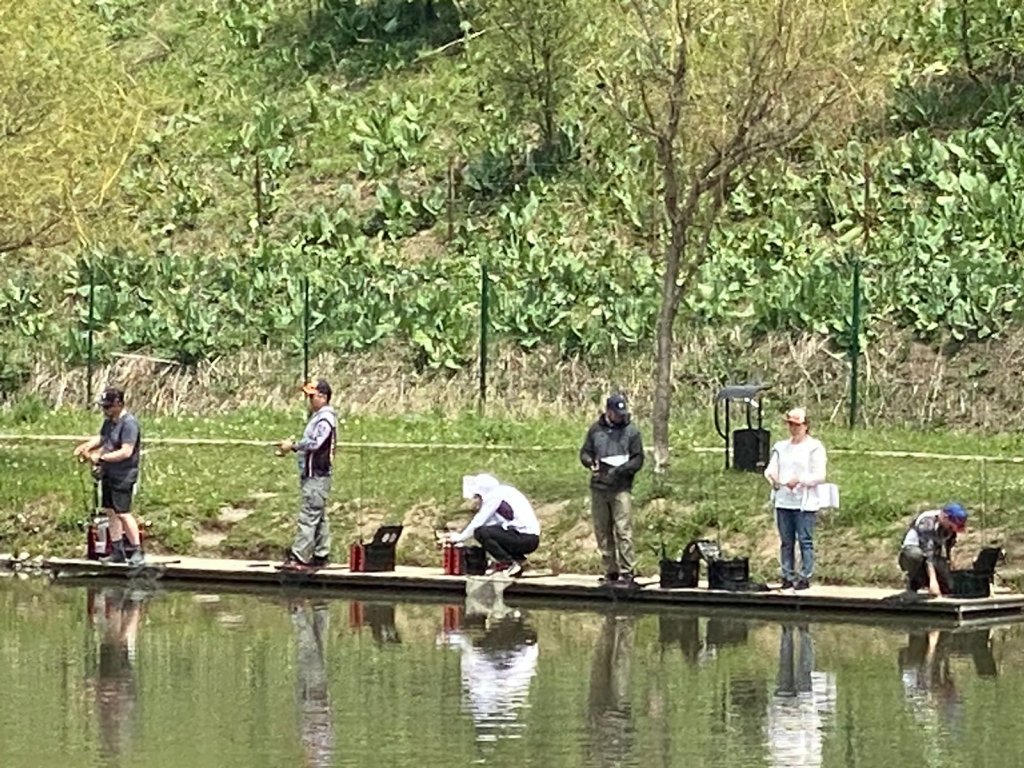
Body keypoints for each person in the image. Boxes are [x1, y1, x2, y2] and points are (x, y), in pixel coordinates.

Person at [73, 387, 145, 566]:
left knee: (123, 513)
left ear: (119, 404)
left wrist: (101, 458)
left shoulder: (129, 424)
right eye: (103, 406)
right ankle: (117, 550)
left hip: (124, 474)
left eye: (107, 406)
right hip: (108, 473)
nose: (104, 410)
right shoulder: (109, 422)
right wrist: (86, 446)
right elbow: (102, 439)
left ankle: (137, 550)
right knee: (110, 512)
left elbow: (126, 451)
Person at [579, 393, 645, 586]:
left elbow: (638, 459)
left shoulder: (632, 432)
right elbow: (585, 452)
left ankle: (628, 571)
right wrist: (589, 462)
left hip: (621, 487)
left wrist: (621, 470)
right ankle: (610, 570)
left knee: (623, 529)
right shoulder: (595, 430)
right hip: (599, 487)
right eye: (616, 413)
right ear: (608, 412)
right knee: (602, 530)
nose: (620, 417)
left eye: (622, 414)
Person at [764, 407, 827, 590]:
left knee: (805, 540)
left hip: (804, 502)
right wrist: (774, 479)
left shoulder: (814, 447)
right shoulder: (780, 447)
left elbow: (819, 475)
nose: (793, 428)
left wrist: (800, 480)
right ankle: (787, 575)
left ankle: (805, 576)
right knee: (786, 541)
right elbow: (770, 470)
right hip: (783, 500)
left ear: (806, 426)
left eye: (797, 425)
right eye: (791, 424)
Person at [277, 379, 338, 569]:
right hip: (314, 474)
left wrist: (293, 446)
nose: (310, 400)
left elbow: (317, 443)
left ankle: (299, 557)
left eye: (312, 396)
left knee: (309, 515)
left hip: (317, 474)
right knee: (319, 516)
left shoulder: (325, 419)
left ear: (323, 397)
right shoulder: (318, 417)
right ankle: (321, 554)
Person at [449, 473, 540, 578]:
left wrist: (459, 538)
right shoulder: (505, 492)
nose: (477, 499)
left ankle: (508, 564)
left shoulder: (494, 496)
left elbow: (479, 522)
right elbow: (492, 525)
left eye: (478, 496)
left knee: (481, 532)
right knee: (488, 533)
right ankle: (520, 562)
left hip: (525, 538)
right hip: (529, 538)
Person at [899, 502, 968, 596]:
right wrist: (933, 581)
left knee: (949, 586)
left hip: (932, 555)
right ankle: (913, 584)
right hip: (912, 553)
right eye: (952, 525)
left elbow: (946, 550)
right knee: (915, 555)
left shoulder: (948, 527)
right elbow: (928, 555)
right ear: (945, 517)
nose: (953, 529)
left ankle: (932, 583)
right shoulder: (927, 522)